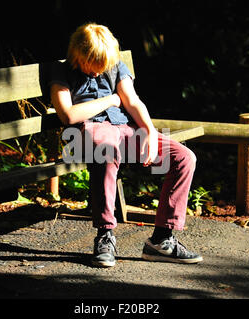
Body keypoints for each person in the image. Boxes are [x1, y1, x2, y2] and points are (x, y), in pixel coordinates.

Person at [49, 22, 203, 267]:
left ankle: (162, 240)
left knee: (184, 157)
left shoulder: (114, 66)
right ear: (80, 55)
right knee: (106, 150)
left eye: (104, 65)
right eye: (94, 65)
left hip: (124, 130)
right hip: (86, 133)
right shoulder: (62, 72)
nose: (100, 72)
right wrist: (110, 100)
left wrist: (150, 133)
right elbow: (68, 115)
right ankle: (105, 235)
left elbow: (132, 101)